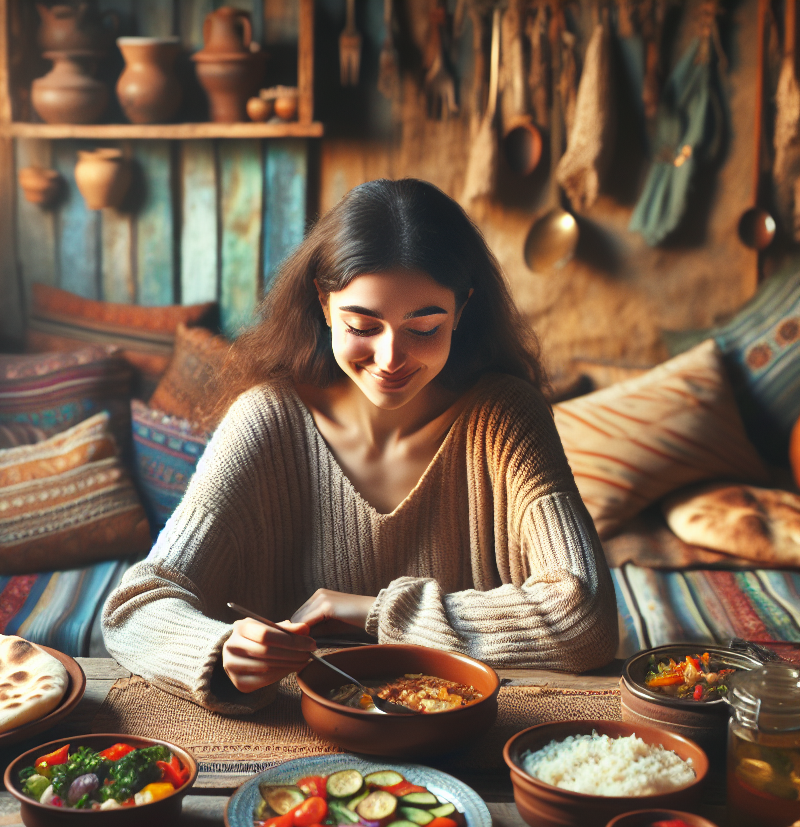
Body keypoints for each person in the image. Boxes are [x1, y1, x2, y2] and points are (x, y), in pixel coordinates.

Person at [102, 178, 618, 714]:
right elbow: (133, 606)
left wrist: (374, 614)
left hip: (466, 738)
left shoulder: (505, 418)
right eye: (362, 325)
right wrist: (220, 650)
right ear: (325, 306)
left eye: (424, 328)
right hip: (301, 749)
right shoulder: (268, 419)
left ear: (461, 312)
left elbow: (585, 617)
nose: (392, 357)